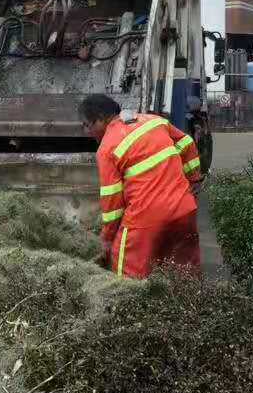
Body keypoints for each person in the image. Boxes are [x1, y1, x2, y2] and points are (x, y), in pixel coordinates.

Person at [79, 94, 203, 279]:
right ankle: (191, 303)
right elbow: (187, 143)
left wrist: (107, 239)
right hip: (184, 210)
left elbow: (112, 203)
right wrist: (193, 179)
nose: (86, 132)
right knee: (185, 272)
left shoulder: (107, 148)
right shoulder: (154, 121)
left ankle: (129, 305)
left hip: (146, 219)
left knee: (125, 272)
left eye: (87, 125)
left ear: (100, 120)